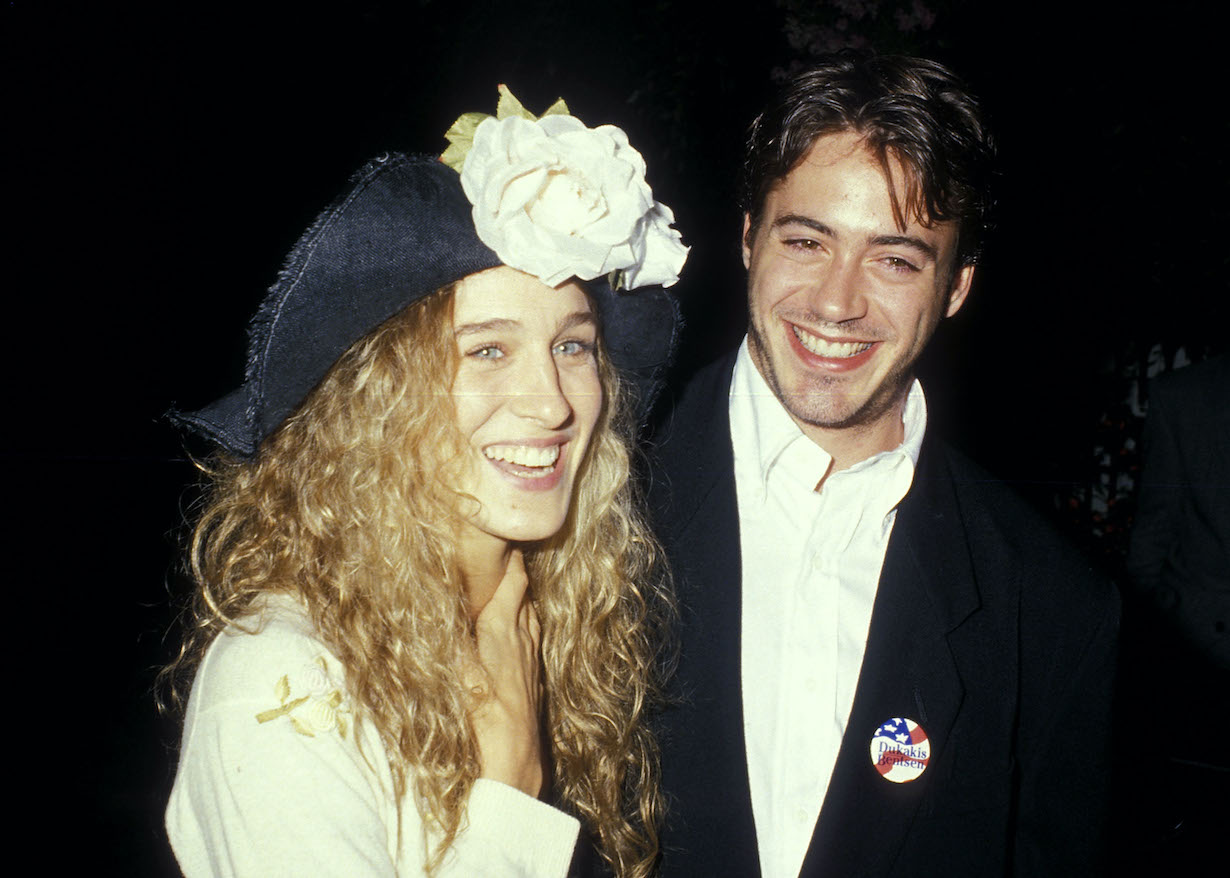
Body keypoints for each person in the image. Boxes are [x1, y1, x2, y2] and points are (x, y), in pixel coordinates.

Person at [162, 89, 687, 877]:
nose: (552, 404)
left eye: (573, 347)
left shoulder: (546, 636)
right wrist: (509, 799)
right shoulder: (282, 679)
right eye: (488, 350)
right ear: (381, 399)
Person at [648, 52, 1119, 876]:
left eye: (895, 259)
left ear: (957, 286)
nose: (836, 302)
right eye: (807, 240)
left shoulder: (1048, 607)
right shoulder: (585, 493)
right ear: (750, 238)